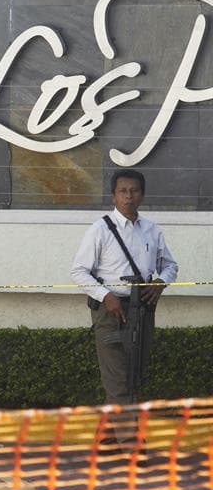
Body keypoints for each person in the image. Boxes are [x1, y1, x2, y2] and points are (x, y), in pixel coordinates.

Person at [71, 169, 178, 447]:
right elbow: (79, 272)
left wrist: (161, 283)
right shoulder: (100, 229)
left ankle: (106, 438)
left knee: (134, 374)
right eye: (123, 191)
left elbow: (170, 265)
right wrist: (105, 295)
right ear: (113, 195)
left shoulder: (152, 229)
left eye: (134, 191)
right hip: (110, 312)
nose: (129, 197)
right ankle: (132, 445)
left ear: (142, 194)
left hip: (141, 309)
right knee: (119, 379)